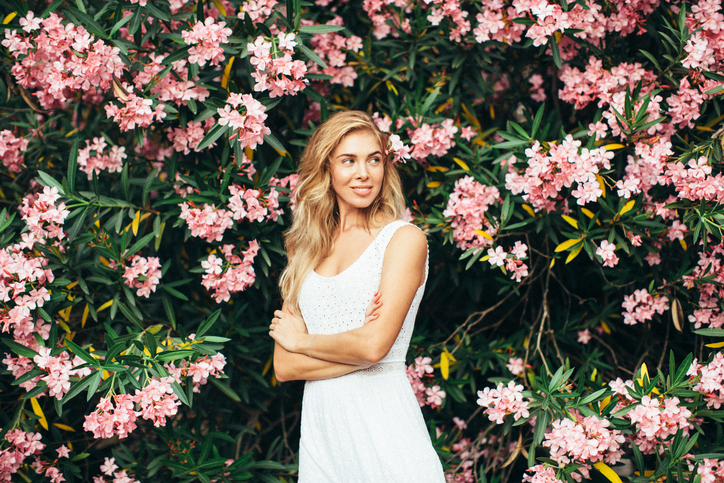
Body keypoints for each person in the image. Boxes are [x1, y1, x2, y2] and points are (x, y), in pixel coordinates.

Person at [268, 110, 445, 482]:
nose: (364, 173)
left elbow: (373, 346)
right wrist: (360, 348)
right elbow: (286, 367)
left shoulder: (403, 240)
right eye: (349, 160)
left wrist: (305, 341)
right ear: (327, 168)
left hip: (387, 434)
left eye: (374, 160)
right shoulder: (304, 248)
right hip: (324, 440)